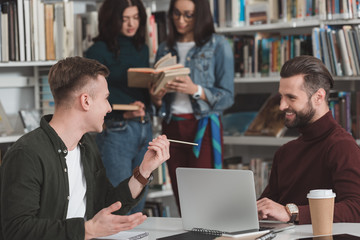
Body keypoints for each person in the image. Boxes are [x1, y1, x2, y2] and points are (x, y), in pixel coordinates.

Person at [0, 57, 170, 240]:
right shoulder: (26, 154)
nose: (109, 108)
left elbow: (106, 204)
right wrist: (87, 230)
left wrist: (144, 171)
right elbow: (16, 230)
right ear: (86, 101)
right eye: (106, 99)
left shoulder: (86, 145)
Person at [150, 0, 234, 212]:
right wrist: (157, 97)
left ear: (201, 15)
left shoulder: (218, 45)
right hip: (171, 127)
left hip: (202, 127)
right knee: (182, 197)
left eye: (188, 15)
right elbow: (159, 103)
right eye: (176, 14)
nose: (181, 20)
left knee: (204, 196)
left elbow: (228, 97)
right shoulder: (164, 48)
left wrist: (196, 90)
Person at [257, 55, 360, 224]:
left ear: (318, 97)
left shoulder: (342, 147)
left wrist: (291, 212)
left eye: (291, 97)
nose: (282, 106)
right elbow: (266, 207)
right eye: (281, 96)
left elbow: (356, 208)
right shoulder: (285, 152)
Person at [85, 0, 152, 214]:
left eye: (135, 18)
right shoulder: (97, 50)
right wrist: (125, 109)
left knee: (139, 202)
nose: (131, 24)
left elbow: (141, 92)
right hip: (118, 130)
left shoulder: (141, 48)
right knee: (119, 205)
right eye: (125, 19)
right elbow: (91, 96)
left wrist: (156, 94)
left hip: (144, 127)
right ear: (112, 20)